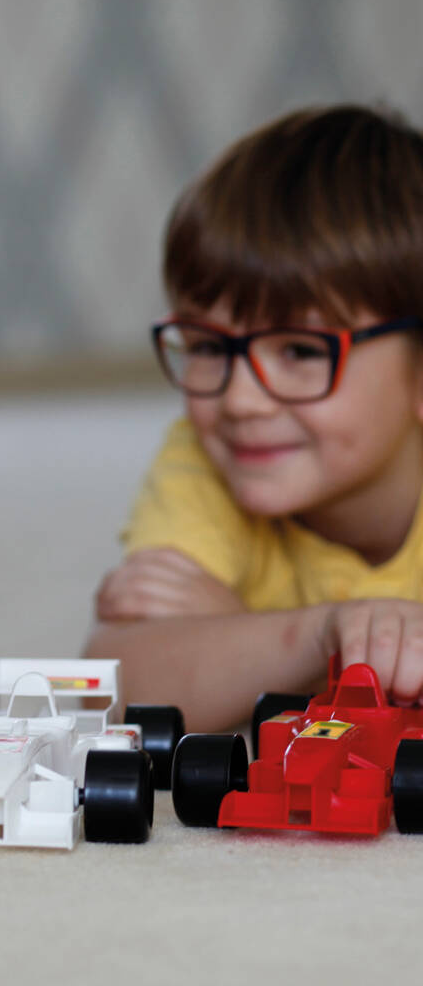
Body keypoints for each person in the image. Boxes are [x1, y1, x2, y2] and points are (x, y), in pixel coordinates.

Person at [86, 104, 423, 732]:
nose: (240, 401)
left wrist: (235, 631)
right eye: (209, 346)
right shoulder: (206, 457)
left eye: (300, 351)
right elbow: (115, 684)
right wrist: (318, 637)